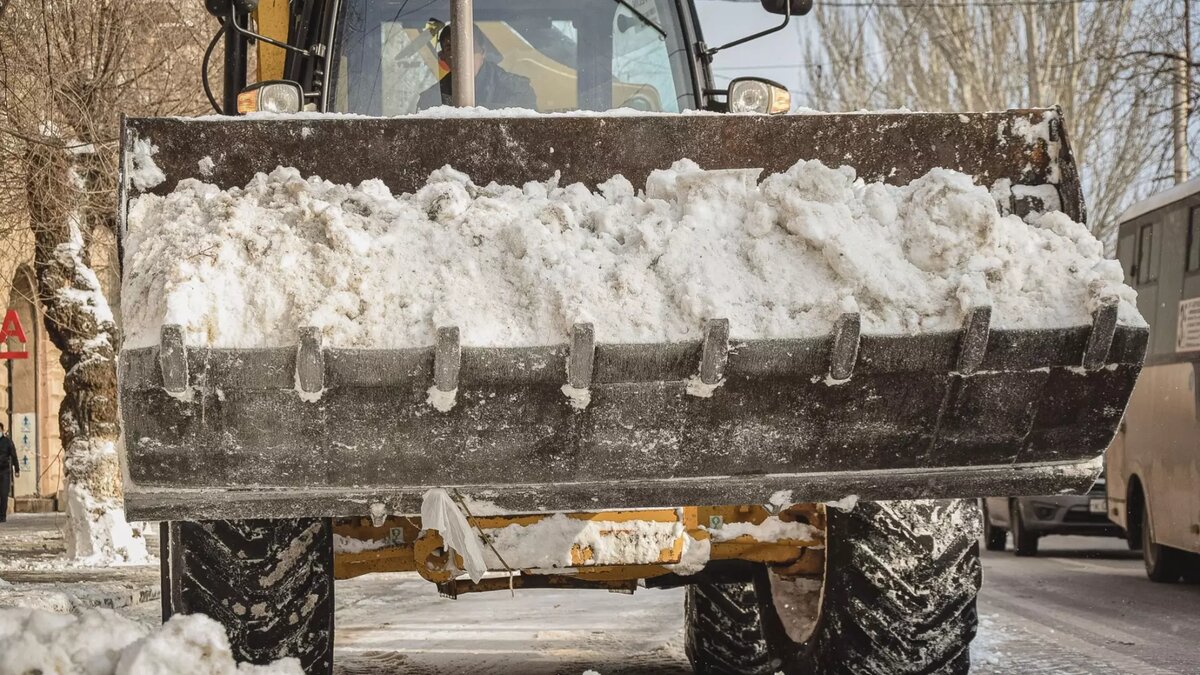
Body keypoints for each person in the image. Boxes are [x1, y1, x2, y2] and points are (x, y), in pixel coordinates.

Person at [417, 23, 536, 111]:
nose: (461, 56)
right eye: (450, 48)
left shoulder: (517, 90)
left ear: (483, 52)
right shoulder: (431, 99)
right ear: (442, 57)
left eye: (470, 47)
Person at [0, 422, 19, 523]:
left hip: (4, 471)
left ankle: (2, 516)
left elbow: (14, 455)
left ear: (2, 430)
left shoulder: (7, 442)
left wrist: (17, 469)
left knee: (3, 494)